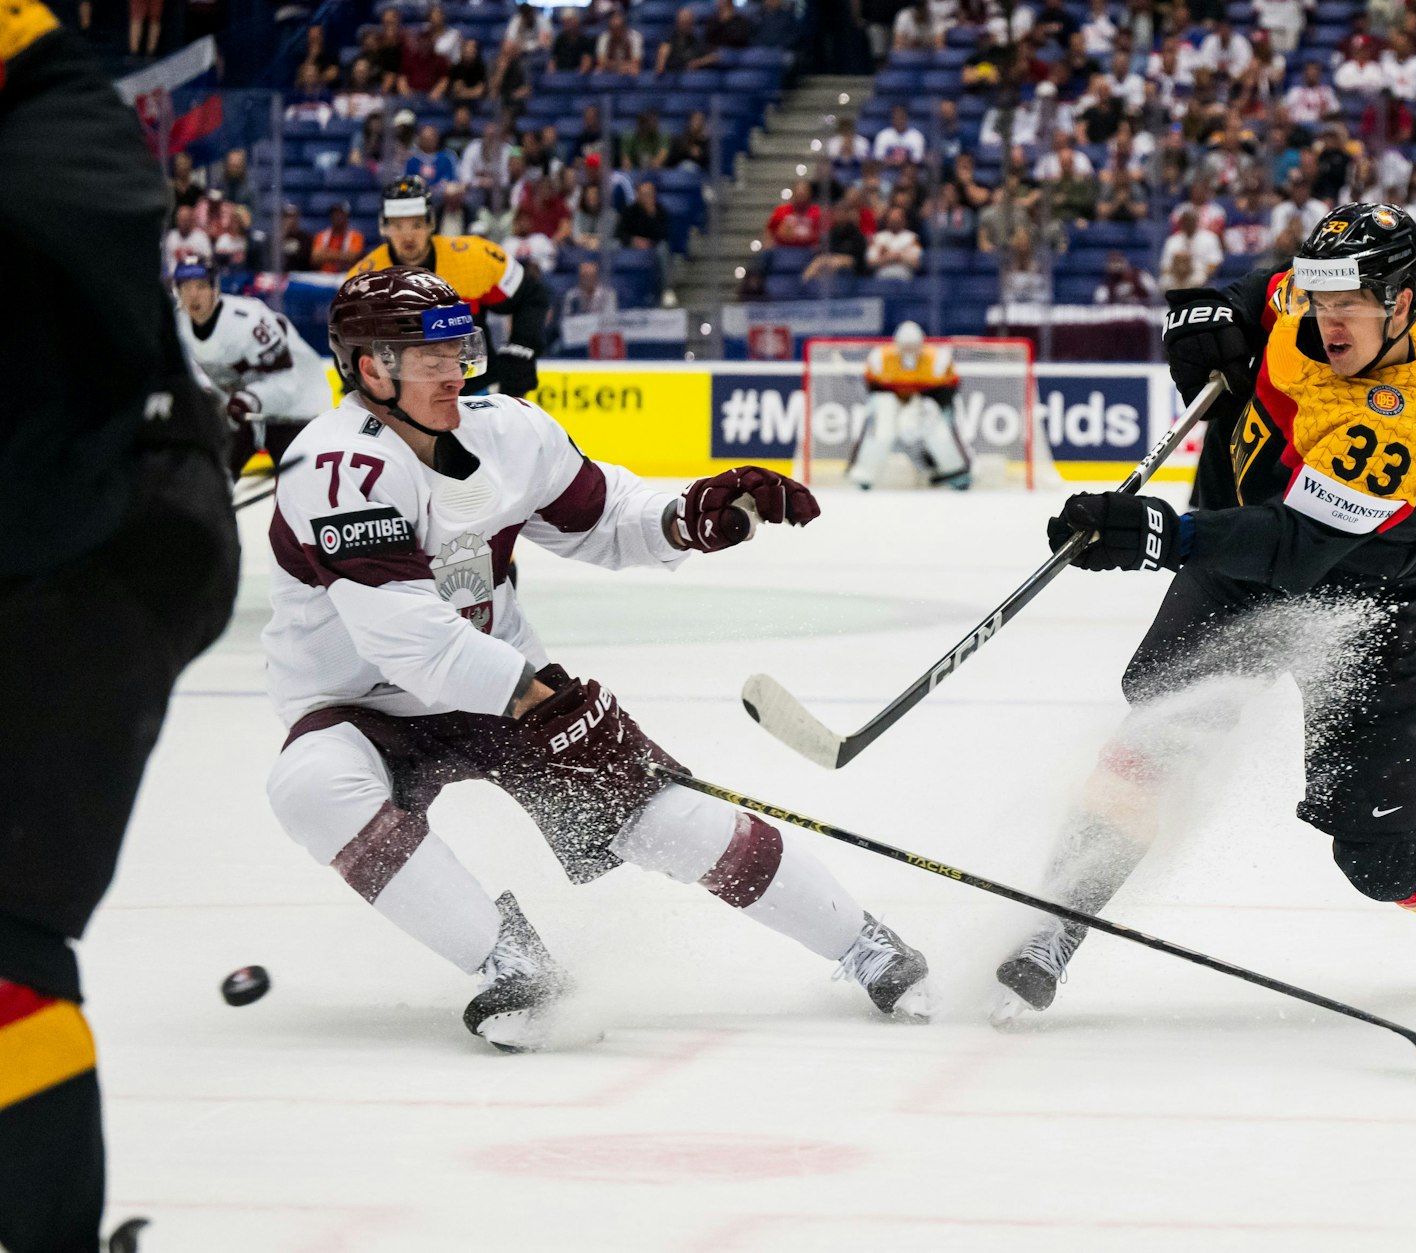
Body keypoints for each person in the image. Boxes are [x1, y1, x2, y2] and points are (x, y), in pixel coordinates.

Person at [267, 268, 933, 1051]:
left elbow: (605, 514)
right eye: (430, 358)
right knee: (311, 786)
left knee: (670, 822)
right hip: (366, 706)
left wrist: (690, 515)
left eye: (459, 350)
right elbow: (408, 640)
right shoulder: (339, 468)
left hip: (500, 686)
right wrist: (535, 695)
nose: (455, 372)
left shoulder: (508, 431)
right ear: (370, 368)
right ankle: (509, 962)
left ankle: (863, 942)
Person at [990, 203, 1416, 1024]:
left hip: (1366, 601)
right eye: (1318, 300)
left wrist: (1160, 531)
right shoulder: (1311, 299)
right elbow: (1241, 297)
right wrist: (1202, 319)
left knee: (1381, 860)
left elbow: (1297, 546)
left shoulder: (1404, 416)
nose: (1327, 320)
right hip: (1243, 559)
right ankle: (1059, 919)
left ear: (1402, 304)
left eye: (1351, 308)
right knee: (1158, 730)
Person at [0, 7, 239, 1248]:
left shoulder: (43, 100)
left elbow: (105, 210)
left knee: (4, 931)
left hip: (114, 541)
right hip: (39, 537)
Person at [348, 175, 549, 396]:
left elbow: (532, 295)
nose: (408, 236)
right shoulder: (364, 282)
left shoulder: (472, 257)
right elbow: (350, 346)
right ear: (383, 227)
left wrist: (522, 347)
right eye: (397, 225)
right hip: (403, 403)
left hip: (473, 395)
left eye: (416, 224)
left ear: (431, 223)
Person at [171, 251, 333, 475]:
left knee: (301, 485)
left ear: (214, 288)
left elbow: (288, 381)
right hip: (240, 412)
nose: (193, 295)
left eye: (200, 286)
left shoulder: (249, 320)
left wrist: (248, 399)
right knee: (213, 476)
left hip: (295, 408)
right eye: (185, 287)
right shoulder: (176, 325)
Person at [850, 322, 971, 491]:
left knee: (939, 432)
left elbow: (949, 389)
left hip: (923, 401)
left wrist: (942, 412)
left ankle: (956, 471)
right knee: (882, 428)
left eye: (913, 346)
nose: (909, 350)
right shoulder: (880, 358)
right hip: (892, 400)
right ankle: (865, 473)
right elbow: (873, 387)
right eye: (905, 346)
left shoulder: (938, 360)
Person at [311, 202, 365, 273]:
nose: (337, 217)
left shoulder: (356, 236)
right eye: (334, 214)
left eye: (340, 214)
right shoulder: (321, 235)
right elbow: (315, 258)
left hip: (347, 274)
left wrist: (327, 253)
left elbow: (352, 258)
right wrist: (342, 255)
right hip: (325, 275)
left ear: (346, 216)